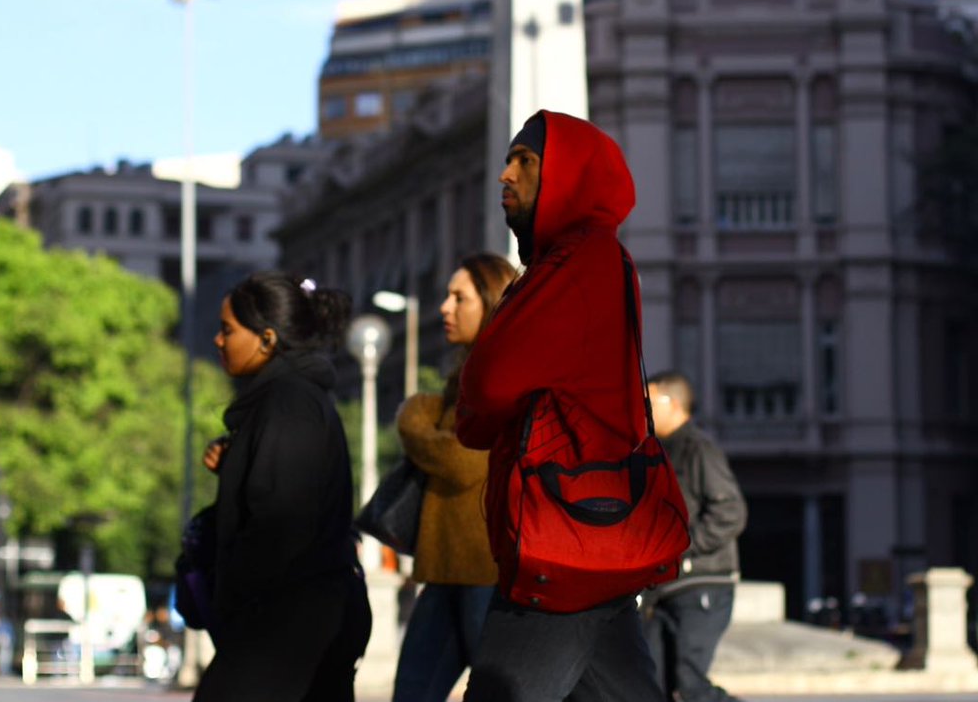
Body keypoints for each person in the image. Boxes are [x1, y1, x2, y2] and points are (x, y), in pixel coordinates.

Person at [456, 111, 666, 701]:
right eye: (509, 159)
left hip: (562, 532)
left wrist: (477, 402)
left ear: (569, 176)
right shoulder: (580, 262)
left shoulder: (579, 261)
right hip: (583, 519)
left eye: (525, 161)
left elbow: (489, 383)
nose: (505, 174)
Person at [194, 271, 372, 702]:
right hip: (300, 615)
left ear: (267, 339)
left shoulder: (288, 401)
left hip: (286, 619)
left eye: (227, 330)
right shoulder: (288, 398)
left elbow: (282, 518)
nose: (218, 340)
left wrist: (238, 595)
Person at [391, 252, 517, 702]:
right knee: (411, 693)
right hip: (448, 569)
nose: (444, 307)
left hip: (485, 571)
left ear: (491, 300)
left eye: (459, 298)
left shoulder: (502, 371)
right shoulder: (464, 374)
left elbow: (467, 461)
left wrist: (414, 418)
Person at [642, 371, 747, 702]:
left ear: (673, 404)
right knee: (652, 687)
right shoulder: (653, 451)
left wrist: (682, 547)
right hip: (662, 590)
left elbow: (730, 513)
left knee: (690, 685)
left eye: (649, 401)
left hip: (702, 584)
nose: (643, 409)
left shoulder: (699, 448)